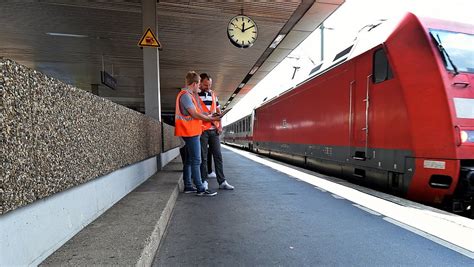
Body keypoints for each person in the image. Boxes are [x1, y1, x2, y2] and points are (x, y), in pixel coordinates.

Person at [175, 71, 220, 196]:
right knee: (196, 160)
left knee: (189, 160)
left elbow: (197, 112)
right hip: (190, 132)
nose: (199, 86)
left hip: (191, 131)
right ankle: (200, 188)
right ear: (194, 84)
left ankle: (188, 186)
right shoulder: (185, 96)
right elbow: (194, 114)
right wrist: (211, 119)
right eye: (199, 83)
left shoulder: (189, 96)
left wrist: (210, 115)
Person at [198, 73, 234, 190]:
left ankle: (222, 182)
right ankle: (203, 181)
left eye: (210, 85)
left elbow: (218, 113)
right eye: (205, 85)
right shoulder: (195, 96)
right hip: (202, 130)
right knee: (203, 157)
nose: (208, 87)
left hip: (214, 130)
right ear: (200, 83)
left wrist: (220, 127)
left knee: (218, 156)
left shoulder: (213, 95)